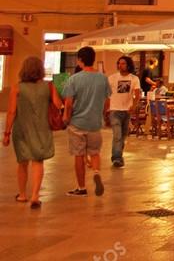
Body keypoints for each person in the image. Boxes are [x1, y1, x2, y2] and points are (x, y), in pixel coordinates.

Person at [3, 56, 59, 208]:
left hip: (22, 129)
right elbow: (57, 104)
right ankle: (35, 195)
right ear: (40, 70)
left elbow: (11, 112)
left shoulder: (17, 87)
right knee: (38, 161)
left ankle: (22, 195)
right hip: (42, 129)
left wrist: (6, 133)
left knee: (22, 162)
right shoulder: (49, 86)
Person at [62, 46, 111, 197]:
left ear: (80, 60)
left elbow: (69, 103)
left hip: (78, 123)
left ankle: (81, 187)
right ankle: (96, 172)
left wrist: (66, 117)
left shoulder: (74, 79)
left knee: (79, 155)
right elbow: (107, 102)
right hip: (95, 124)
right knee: (95, 153)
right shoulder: (103, 78)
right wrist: (102, 115)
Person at [107, 56, 141, 168]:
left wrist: (134, 105)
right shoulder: (112, 78)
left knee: (123, 136)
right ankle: (116, 158)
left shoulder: (134, 79)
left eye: (123, 63)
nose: (120, 66)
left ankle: (118, 156)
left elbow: (137, 93)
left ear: (128, 65)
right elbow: (106, 95)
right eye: (119, 63)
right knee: (117, 135)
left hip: (127, 111)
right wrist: (106, 109)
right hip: (115, 110)